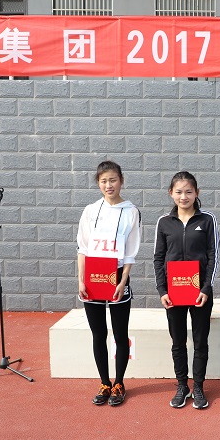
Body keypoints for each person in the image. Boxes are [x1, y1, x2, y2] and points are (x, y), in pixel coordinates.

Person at [77, 160, 142, 407]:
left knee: (120, 332)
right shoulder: (90, 210)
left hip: (117, 277)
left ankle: (119, 383)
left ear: (121, 180)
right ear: (98, 183)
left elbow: (131, 253)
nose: (108, 185)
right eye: (103, 181)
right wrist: (81, 280)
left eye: (113, 180)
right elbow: (83, 248)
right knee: (98, 333)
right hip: (92, 277)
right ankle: (104, 383)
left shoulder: (131, 211)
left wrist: (122, 281)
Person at [153, 171, 219, 410]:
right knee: (178, 341)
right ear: (171, 193)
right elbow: (158, 258)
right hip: (173, 293)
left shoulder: (207, 220)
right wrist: (162, 290)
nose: (184, 196)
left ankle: (198, 386)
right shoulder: (164, 222)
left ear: (197, 193)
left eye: (189, 192)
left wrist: (206, 288)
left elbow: (213, 256)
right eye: (179, 192)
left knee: (200, 341)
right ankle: (182, 385)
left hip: (200, 293)